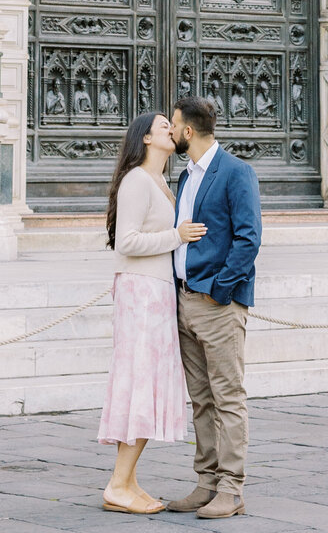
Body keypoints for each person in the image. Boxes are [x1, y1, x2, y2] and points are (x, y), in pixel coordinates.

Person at [99, 112, 207, 515]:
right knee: (138, 384)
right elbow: (125, 242)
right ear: (145, 139)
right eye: (163, 125)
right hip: (140, 293)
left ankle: (127, 480)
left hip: (159, 293)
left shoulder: (162, 182)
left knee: (149, 384)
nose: (171, 129)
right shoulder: (137, 181)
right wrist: (175, 236)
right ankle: (116, 483)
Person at [166, 96, 262, 521]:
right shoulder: (185, 177)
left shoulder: (237, 172)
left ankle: (232, 488)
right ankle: (205, 482)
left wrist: (220, 290)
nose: (169, 131)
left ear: (188, 131)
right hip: (184, 301)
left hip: (216, 303)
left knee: (227, 397)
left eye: (173, 125)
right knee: (201, 400)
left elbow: (248, 238)